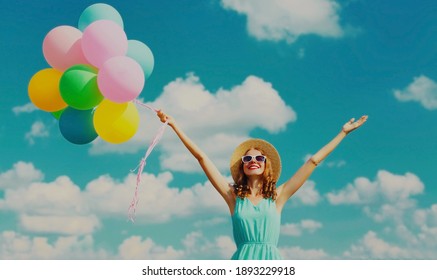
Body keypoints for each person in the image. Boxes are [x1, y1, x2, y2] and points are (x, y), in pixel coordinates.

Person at [157, 110, 368, 260]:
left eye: (259, 158)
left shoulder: (278, 196)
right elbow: (202, 158)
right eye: (247, 159)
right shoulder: (233, 197)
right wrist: (175, 126)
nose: (253, 161)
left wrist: (343, 133)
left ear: (266, 166)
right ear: (242, 167)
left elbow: (313, 161)